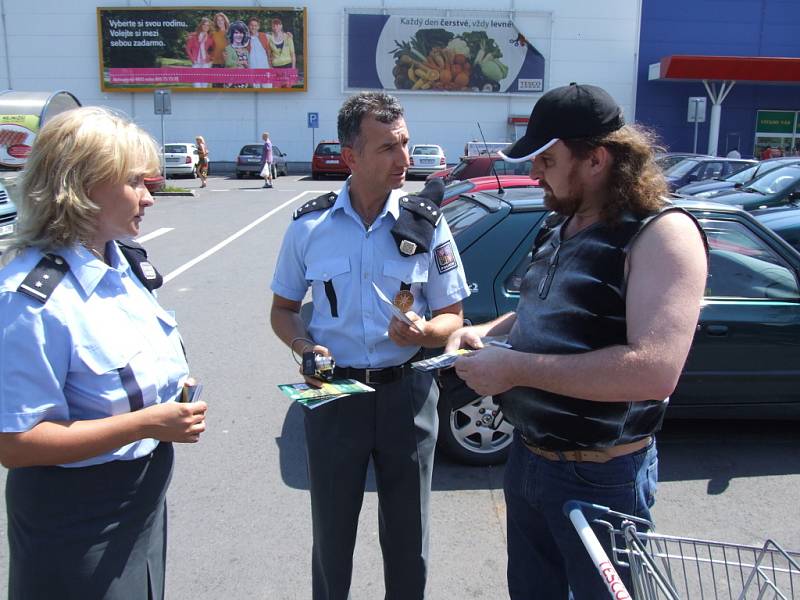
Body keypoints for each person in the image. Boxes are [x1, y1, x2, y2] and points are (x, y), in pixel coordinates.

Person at [444, 83, 708, 599]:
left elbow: (654, 371)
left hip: (602, 480)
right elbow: (538, 315)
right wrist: (485, 332)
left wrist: (516, 370)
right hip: (527, 461)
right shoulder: (557, 225)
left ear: (596, 160)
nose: (534, 171)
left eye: (546, 158)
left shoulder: (660, 235)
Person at [0, 106, 208, 599]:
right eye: (134, 181)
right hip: (77, 520)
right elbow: (14, 442)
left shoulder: (122, 262)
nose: (148, 196)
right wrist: (144, 424)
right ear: (86, 186)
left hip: (141, 502)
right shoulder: (31, 300)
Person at [270, 91, 470, 600]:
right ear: (350, 156)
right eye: (388, 148)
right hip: (334, 395)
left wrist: (427, 333)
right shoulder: (309, 226)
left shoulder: (426, 221)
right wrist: (302, 345)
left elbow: (454, 316)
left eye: (406, 143)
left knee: (409, 538)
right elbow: (283, 308)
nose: (405, 159)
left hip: (406, 395)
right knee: (331, 536)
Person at [185, 17, 214, 88]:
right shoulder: (194, 36)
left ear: (209, 27)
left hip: (206, 64)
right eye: (204, 25)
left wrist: (210, 59)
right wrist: (192, 59)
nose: (206, 27)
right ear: (201, 26)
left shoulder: (210, 38)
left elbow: (214, 50)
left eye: (208, 25)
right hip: (196, 63)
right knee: (196, 85)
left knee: (204, 86)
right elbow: (188, 49)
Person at [267, 17, 296, 87]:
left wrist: (293, 69)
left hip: (287, 65)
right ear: (272, 27)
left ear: (281, 26)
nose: (275, 27)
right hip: (276, 67)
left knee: (288, 87)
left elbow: (292, 54)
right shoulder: (269, 38)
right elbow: (269, 55)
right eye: (274, 26)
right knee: (277, 88)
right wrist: (270, 67)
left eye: (277, 25)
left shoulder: (288, 37)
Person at [224, 20, 251, 88]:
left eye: (241, 33)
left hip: (244, 81)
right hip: (232, 82)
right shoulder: (228, 48)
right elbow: (228, 63)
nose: (239, 35)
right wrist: (242, 62)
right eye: (236, 33)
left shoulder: (245, 50)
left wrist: (245, 65)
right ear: (232, 34)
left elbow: (248, 66)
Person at [247, 17, 272, 89]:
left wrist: (287, 34)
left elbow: (277, 36)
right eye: (251, 25)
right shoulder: (245, 37)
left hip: (265, 67)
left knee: (267, 89)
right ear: (249, 26)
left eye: (255, 25)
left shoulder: (264, 35)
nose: (253, 27)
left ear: (258, 27)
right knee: (255, 90)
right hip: (252, 68)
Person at [209, 12, 229, 88]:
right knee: (216, 88)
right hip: (216, 64)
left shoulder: (230, 33)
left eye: (221, 20)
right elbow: (208, 47)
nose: (220, 22)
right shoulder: (213, 34)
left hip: (228, 64)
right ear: (216, 22)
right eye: (218, 20)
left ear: (225, 21)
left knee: (227, 88)